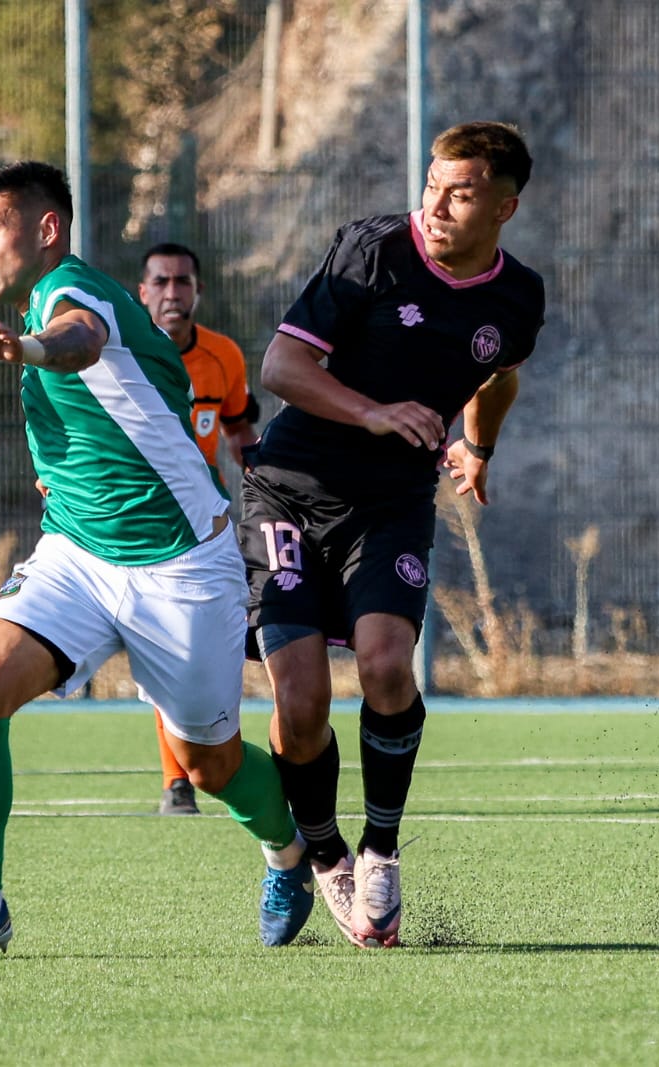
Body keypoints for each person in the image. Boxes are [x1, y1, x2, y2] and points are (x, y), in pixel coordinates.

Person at [0, 161, 313, 961]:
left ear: (45, 229)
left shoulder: (69, 297)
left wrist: (27, 346)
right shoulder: (34, 307)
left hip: (182, 567)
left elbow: (75, 344)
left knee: (209, 763)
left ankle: (289, 853)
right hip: (78, 557)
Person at [239, 121, 545, 948]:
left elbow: (499, 371)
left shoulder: (517, 298)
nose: (437, 205)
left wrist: (478, 443)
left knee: (383, 664)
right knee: (298, 703)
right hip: (288, 496)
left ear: (505, 206)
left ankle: (379, 846)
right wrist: (374, 412)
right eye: (432, 185)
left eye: (462, 192)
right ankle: (325, 855)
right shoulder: (370, 251)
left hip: (391, 504)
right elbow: (280, 369)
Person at [137, 242, 261, 816]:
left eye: (182, 282)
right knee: (166, 647)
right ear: (142, 293)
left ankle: (202, 764)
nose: (171, 293)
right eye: (160, 282)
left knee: (205, 648)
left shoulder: (223, 357)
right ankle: (173, 780)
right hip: (139, 519)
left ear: (198, 291)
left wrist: (269, 486)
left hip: (206, 522)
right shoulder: (124, 353)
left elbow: (239, 431)